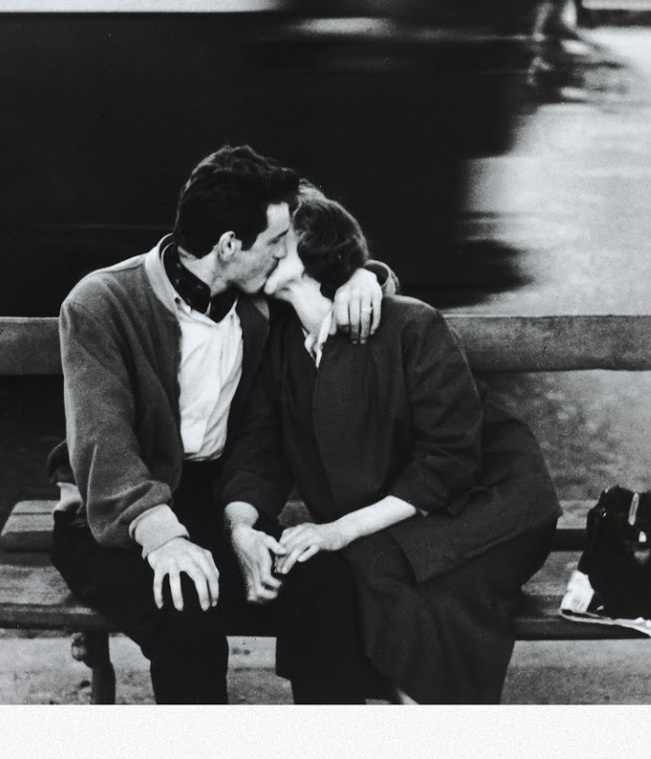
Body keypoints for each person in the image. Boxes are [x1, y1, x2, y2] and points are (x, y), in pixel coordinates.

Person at [47, 145, 394, 704]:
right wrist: (163, 539)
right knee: (186, 613)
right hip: (112, 521)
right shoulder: (101, 302)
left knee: (326, 585)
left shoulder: (257, 302)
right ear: (230, 246)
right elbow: (103, 445)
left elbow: (337, 266)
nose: (289, 256)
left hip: (216, 505)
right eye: (277, 243)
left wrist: (365, 280)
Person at [219, 186, 561, 703]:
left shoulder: (410, 324)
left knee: (404, 591)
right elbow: (259, 450)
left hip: (486, 506)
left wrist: (338, 530)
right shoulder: (281, 339)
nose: (263, 250)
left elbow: (449, 461)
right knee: (315, 572)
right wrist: (241, 526)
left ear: (314, 254)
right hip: (395, 516)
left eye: (279, 241)